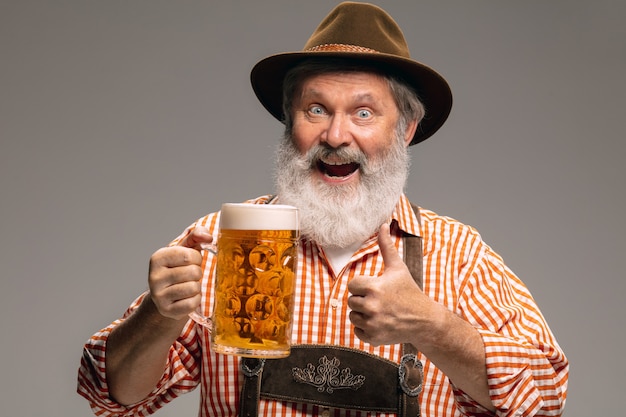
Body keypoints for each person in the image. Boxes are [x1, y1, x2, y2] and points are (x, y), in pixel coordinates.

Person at [77, 2, 568, 416]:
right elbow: (110, 395)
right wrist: (157, 315)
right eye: (316, 109)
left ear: (406, 130)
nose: (335, 137)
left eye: (363, 112)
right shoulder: (222, 241)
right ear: (289, 120)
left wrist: (431, 325)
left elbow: (546, 398)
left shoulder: (458, 256)